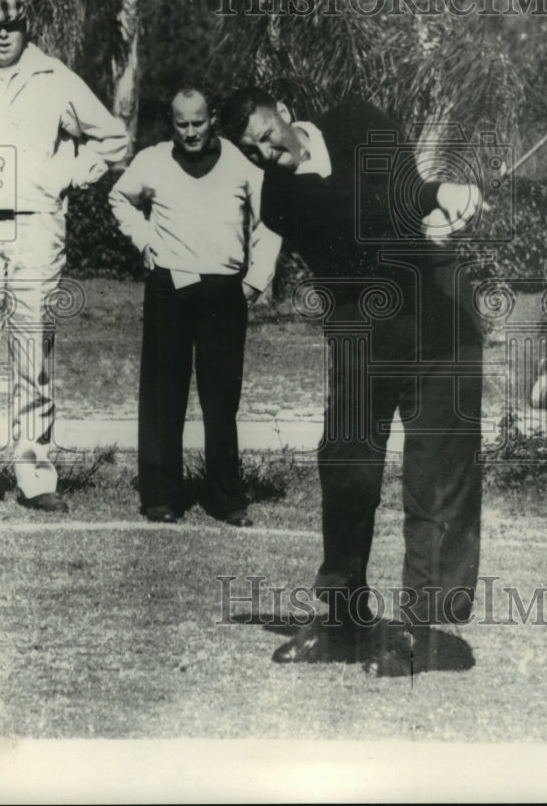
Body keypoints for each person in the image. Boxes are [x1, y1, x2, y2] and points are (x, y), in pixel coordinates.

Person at [219, 87, 483, 675]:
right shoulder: (281, 201)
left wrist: (442, 197)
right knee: (346, 463)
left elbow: (401, 182)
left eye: (265, 135)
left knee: (439, 464)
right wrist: (426, 210)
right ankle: (339, 618)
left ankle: (423, 628)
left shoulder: (360, 117)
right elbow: (364, 213)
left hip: (436, 307)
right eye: (250, 150)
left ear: (285, 112)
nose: (265, 153)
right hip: (362, 320)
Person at [0, 0, 129, 514]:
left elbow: (114, 138)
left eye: (11, 25)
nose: (2, 35)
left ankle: (35, 477)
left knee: (33, 355)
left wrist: (67, 176)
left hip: (35, 228)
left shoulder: (54, 77)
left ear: (26, 24)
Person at [109, 86, 281, 526]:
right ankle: (160, 495)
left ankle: (227, 497)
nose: (190, 132)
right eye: (181, 124)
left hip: (225, 291)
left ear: (212, 120)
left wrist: (255, 280)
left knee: (221, 400)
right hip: (170, 287)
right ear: (172, 123)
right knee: (163, 395)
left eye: (198, 123)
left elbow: (270, 223)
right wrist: (146, 242)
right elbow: (119, 198)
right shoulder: (151, 160)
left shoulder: (242, 165)